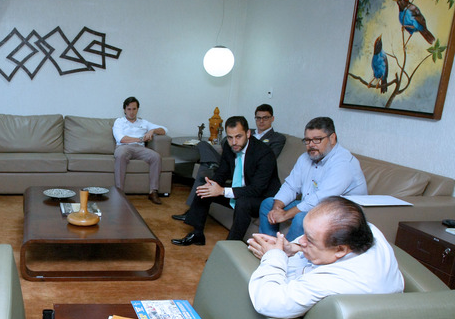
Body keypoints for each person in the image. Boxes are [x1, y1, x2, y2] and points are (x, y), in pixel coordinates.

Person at [247, 196, 403, 319]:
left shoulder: (334, 281)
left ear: (340, 249)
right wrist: (294, 248)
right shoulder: (369, 230)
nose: (302, 240)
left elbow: (267, 301)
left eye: (309, 239)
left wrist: (274, 256)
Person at [171, 116, 280, 246]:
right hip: (241, 189)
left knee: (243, 203)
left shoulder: (264, 154)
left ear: (248, 133)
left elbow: (257, 189)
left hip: (262, 197)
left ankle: (230, 246)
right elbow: (222, 172)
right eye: (230, 137)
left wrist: (222, 191)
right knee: (205, 190)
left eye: (238, 137)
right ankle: (197, 234)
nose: (234, 142)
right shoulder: (230, 147)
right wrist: (212, 185)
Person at [259, 117, 366, 240]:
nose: (311, 145)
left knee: (302, 218)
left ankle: (286, 251)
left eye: (317, 140)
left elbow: (321, 199)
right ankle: (269, 246)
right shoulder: (305, 158)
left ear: (332, 138)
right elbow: (291, 186)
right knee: (268, 204)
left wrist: (286, 215)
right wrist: (276, 209)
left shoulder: (343, 163)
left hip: (341, 214)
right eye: (307, 140)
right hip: (314, 207)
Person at [112, 96, 167, 204]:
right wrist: (141, 139)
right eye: (129, 109)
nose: (131, 112)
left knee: (156, 157)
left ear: (137, 109)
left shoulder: (144, 122)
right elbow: (121, 138)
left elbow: (164, 130)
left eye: (134, 109)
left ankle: (153, 192)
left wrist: (152, 131)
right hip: (123, 147)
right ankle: (119, 192)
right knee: (120, 155)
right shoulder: (119, 122)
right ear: (124, 110)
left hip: (140, 148)